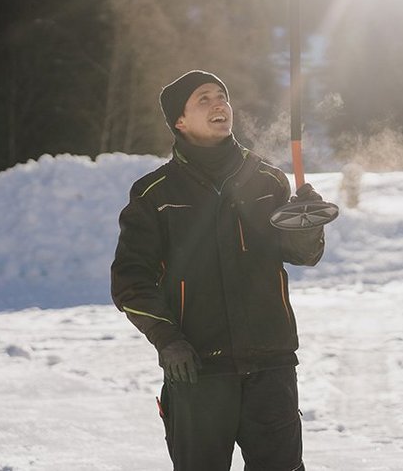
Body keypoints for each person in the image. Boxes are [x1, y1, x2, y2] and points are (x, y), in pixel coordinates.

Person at [111, 70, 326, 471]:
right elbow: (130, 280)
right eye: (204, 99)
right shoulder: (154, 194)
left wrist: (307, 225)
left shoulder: (266, 179)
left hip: (270, 364)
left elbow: (299, 253)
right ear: (180, 120)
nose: (219, 104)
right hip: (197, 369)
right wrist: (167, 340)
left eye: (222, 96)